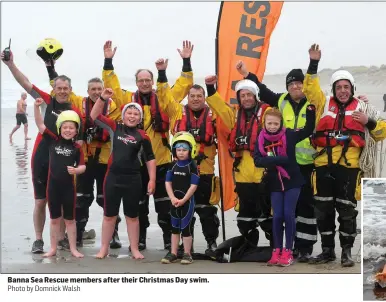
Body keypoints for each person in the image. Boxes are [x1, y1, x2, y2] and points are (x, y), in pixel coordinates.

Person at [102, 40, 193, 250]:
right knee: (138, 206)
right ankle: (140, 240)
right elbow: (112, 86)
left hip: (160, 162)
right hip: (135, 165)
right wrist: (108, 61)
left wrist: (185, 61)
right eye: (141, 80)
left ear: (153, 82)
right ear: (136, 82)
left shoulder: (164, 98)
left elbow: (183, 86)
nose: (144, 83)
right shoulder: (127, 100)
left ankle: (166, 239)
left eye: (147, 80)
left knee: (163, 205)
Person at [303, 44, 386, 267]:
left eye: (346, 87)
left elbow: (381, 132)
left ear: (352, 88)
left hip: (349, 169)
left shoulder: (364, 108)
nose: (342, 91)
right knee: (323, 211)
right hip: (322, 166)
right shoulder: (322, 104)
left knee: (347, 212)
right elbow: (310, 90)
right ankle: (327, 251)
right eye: (338, 87)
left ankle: (346, 252)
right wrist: (313, 63)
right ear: (333, 89)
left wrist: (368, 122)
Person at [1, 49, 83, 253]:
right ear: (54, 89)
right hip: (41, 157)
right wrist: (10, 64)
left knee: (64, 201)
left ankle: (62, 238)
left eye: (66, 88)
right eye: (59, 87)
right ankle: (38, 240)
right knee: (40, 200)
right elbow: (25, 83)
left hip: (64, 162)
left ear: (71, 89)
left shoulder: (76, 110)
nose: (62, 91)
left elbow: (79, 141)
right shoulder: (46, 100)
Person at [235, 61, 317, 262]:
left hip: (305, 165)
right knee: (282, 212)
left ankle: (303, 248)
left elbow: (309, 127)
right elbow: (262, 91)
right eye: (291, 84)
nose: (295, 87)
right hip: (279, 172)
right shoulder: (281, 101)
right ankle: (281, 249)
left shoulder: (313, 100)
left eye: (299, 83)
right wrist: (247, 74)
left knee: (305, 208)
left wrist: (313, 64)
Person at [44, 61, 122, 248]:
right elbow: (58, 87)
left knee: (106, 198)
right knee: (82, 198)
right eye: (93, 89)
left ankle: (114, 235)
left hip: (105, 159)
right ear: (87, 92)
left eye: (99, 89)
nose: (96, 92)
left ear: (104, 90)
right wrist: (50, 67)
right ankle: (78, 234)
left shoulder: (114, 108)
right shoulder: (78, 102)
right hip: (84, 159)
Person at [155, 58, 220, 258]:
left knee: (207, 211)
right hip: (181, 171)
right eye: (192, 96)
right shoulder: (177, 111)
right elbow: (164, 97)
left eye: (200, 96)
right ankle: (184, 246)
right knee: (183, 210)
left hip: (205, 171)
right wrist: (162, 73)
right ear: (188, 97)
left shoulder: (213, 114)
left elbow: (228, 118)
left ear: (204, 97)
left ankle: (211, 243)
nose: (196, 99)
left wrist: (213, 89)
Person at [203, 73, 273, 246]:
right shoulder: (234, 116)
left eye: (249, 95)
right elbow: (220, 107)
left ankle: (275, 244)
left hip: (263, 173)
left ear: (256, 95)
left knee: (268, 214)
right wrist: (211, 88)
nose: (246, 98)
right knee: (245, 215)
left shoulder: (268, 113)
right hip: (242, 174)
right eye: (242, 96)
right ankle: (249, 243)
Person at [91, 88, 156, 259]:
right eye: (129, 112)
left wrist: (152, 180)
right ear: (123, 115)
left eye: (136, 114)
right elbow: (94, 116)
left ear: (140, 118)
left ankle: (134, 249)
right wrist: (102, 98)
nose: (132, 116)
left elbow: (150, 159)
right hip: (112, 177)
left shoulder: (143, 136)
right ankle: (104, 248)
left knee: (132, 216)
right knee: (109, 216)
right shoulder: (115, 127)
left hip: (133, 179)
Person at [254, 106, 316, 266]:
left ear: (281, 123)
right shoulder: (261, 137)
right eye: (269, 123)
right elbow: (257, 161)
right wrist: (279, 160)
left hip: (292, 181)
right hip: (274, 183)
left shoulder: (289, 134)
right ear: (264, 123)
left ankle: (288, 251)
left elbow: (308, 129)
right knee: (277, 216)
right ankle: (276, 251)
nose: (272, 126)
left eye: (276, 123)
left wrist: (310, 112)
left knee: (288, 215)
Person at [34, 99, 85, 258]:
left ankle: (73, 249)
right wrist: (36, 107)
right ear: (59, 128)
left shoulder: (77, 148)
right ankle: (53, 248)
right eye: (65, 127)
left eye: (71, 128)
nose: (68, 130)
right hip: (53, 188)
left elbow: (83, 166)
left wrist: (76, 170)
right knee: (55, 220)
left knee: (70, 220)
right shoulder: (52, 141)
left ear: (76, 131)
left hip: (69, 189)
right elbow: (41, 125)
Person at [161, 132, 199, 265]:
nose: (181, 153)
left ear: (191, 150)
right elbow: (167, 183)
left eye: (184, 150)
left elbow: (194, 185)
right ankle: (173, 252)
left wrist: (183, 200)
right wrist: (172, 197)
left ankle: (187, 253)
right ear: (174, 151)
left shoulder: (192, 166)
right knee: (174, 227)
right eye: (178, 150)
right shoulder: (172, 165)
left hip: (187, 202)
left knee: (186, 228)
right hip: (174, 201)